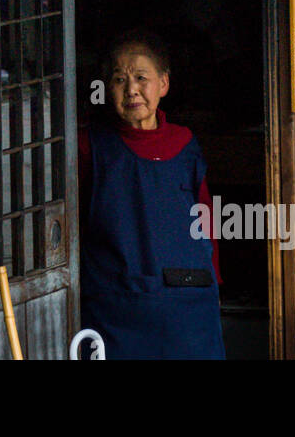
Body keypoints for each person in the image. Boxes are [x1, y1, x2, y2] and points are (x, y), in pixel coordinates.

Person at [79, 28, 225, 360]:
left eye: (141, 78)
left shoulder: (185, 143)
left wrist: (213, 286)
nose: (131, 90)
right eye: (119, 79)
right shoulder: (91, 146)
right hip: (117, 310)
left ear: (163, 84)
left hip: (188, 308)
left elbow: (205, 220)